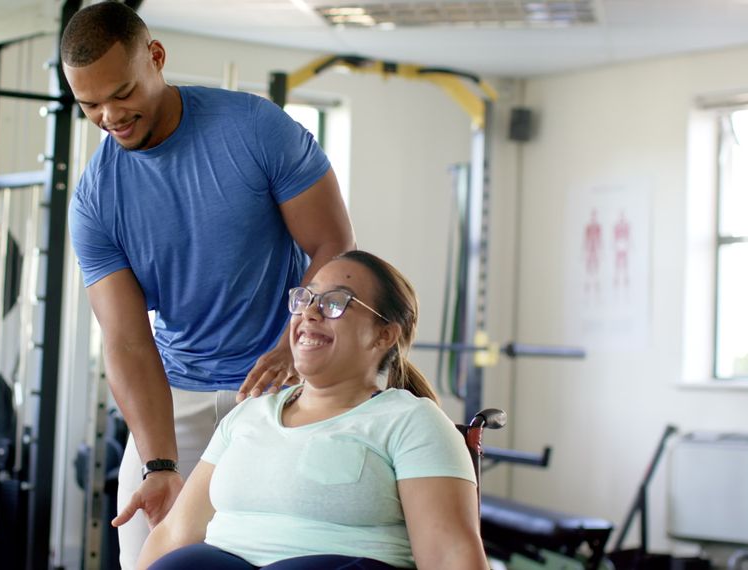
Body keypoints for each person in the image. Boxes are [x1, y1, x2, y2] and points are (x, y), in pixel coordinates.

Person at [60, 2, 355, 567]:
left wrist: (294, 345)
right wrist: (159, 465)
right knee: (146, 556)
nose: (109, 116)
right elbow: (125, 340)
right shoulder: (96, 199)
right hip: (181, 394)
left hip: (286, 387)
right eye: (90, 104)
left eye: (121, 93)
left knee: (289, 554)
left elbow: (334, 247)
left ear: (156, 57)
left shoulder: (254, 128)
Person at [138, 250, 488, 570]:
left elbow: (450, 555)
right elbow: (174, 533)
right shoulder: (246, 416)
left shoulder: (412, 422)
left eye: (336, 302)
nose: (309, 312)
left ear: (383, 335)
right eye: (304, 298)